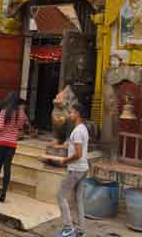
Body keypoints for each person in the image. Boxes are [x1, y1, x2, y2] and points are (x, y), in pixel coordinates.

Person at [56, 102, 89, 237]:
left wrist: (65, 160)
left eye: (72, 112)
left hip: (75, 169)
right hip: (83, 168)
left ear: (77, 114)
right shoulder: (83, 129)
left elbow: (78, 154)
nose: (70, 115)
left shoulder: (77, 131)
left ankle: (68, 228)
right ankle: (81, 230)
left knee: (61, 196)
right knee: (78, 200)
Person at [0, 93, 29, 203]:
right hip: (11, 144)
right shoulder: (21, 113)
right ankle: (4, 193)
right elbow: (20, 127)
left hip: (0, 142)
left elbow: (0, 128)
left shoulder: (4, 111)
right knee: (7, 167)